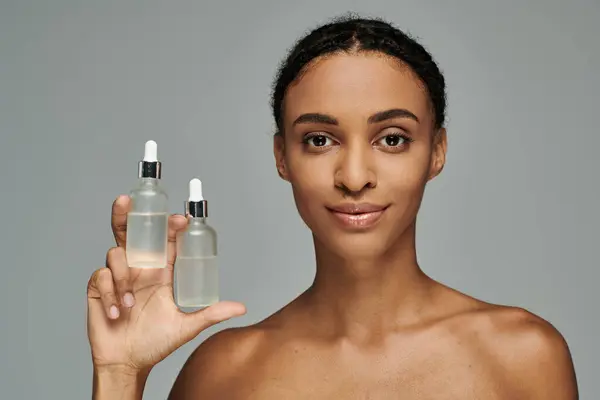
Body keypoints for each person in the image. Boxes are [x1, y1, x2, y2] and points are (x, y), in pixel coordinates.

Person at [87, 15, 578, 399]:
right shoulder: (221, 376)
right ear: (282, 156)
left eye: (392, 138)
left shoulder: (524, 357)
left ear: (437, 151)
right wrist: (120, 373)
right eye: (320, 140)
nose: (355, 176)